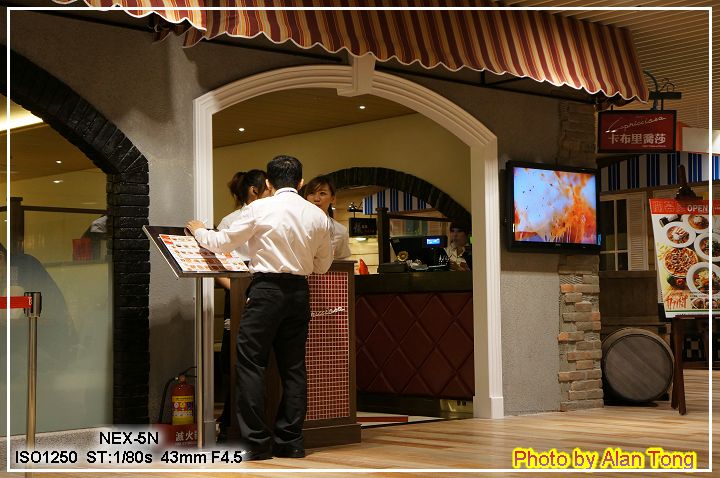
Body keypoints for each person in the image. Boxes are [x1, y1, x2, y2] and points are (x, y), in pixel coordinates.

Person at [187, 155, 333, 460]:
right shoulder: (318, 215)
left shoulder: (259, 208)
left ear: (268, 182)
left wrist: (199, 230)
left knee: (251, 363)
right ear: (301, 182)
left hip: (266, 290)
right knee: (293, 367)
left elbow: (222, 242)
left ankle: (256, 443)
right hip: (299, 292)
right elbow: (323, 266)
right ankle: (291, 442)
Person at [215, 169, 270, 442]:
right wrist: (238, 292)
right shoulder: (231, 220)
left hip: (264, 288)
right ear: (254, 191)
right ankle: (230, 421)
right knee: (235, 357)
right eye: (268, 189)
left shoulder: (273, 214)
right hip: (238, 290)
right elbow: (217, 265)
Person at [302, 175, 352, 260]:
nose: (316, 198)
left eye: (322, 193)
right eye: (312, 193)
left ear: (332, 198)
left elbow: (343, 262)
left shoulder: (340, 231)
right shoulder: (295, 224)